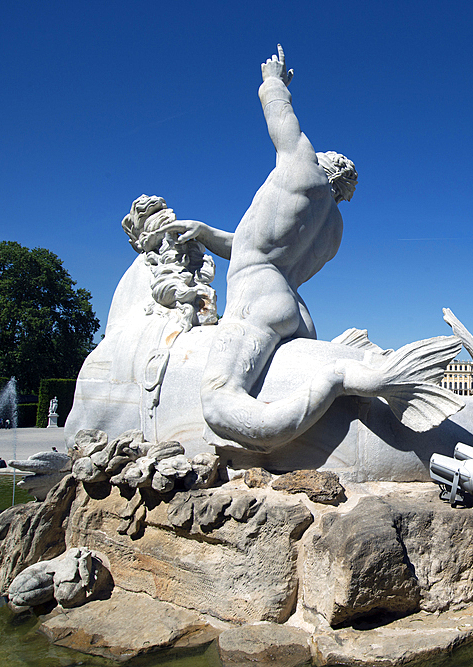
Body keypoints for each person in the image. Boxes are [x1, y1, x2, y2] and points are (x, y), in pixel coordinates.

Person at [155, 46, 363, 446]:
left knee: (218, 401)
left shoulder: (303, 168)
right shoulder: (334, 229)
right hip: (298, 311)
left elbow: (282, 122)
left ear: (325, 166)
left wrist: (272, 82)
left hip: (258, 297)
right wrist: (204, 231)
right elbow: (254, 248)